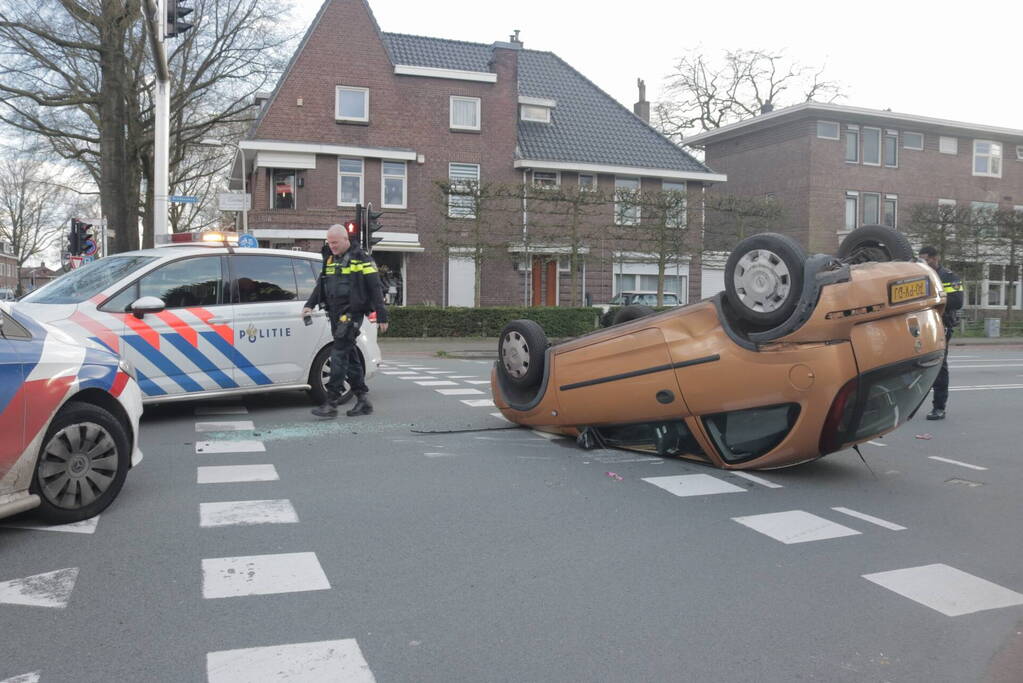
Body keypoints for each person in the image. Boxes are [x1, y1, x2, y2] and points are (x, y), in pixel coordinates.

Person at [302, 224, 389, 418]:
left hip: (352, 314)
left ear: (345, 240)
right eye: (329, 242)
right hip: (334, 313)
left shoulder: (361, 258)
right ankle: (362, 400)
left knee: (339, 352)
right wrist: (310, 304)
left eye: (335, 242)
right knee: (350, 356)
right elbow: (321, 285)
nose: (331, 246)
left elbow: (375, 288)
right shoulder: (330, 258)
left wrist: (382, 315)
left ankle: (331, 401)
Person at [919, 246, 963, 420]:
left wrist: (931, 299)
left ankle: (939, 407)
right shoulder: (920, 276)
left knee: (939, 365)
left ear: (936, 258)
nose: (924, 262)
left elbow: (957, 301)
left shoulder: (948, 277)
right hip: (921, 326)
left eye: (926, 259)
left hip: (941, 325)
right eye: (921, 259)